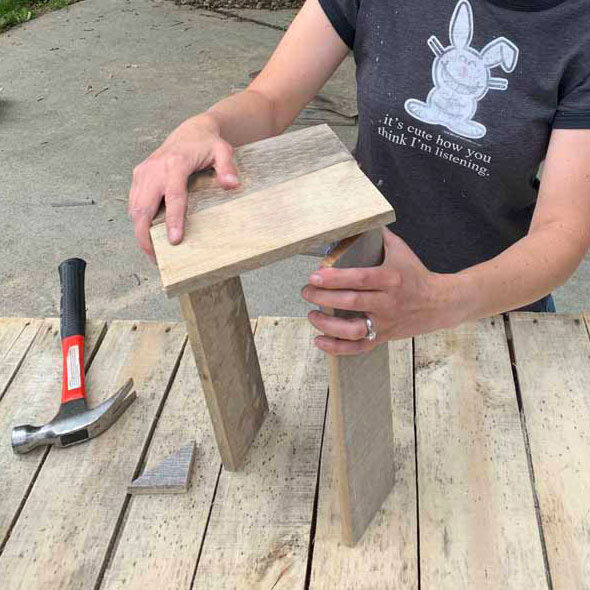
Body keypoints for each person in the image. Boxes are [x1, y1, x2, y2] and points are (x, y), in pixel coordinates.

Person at [128, 0, 590, 356]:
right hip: (367, 304)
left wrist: (440, 299)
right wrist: (206, 127)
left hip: (498, 314)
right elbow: (269, 100)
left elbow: (563, 230)